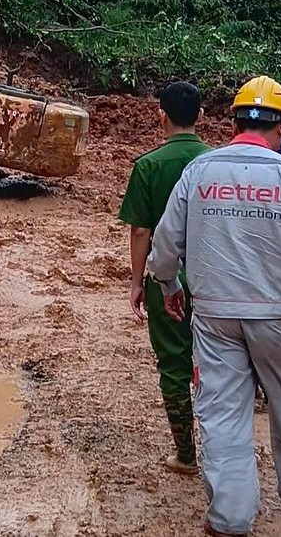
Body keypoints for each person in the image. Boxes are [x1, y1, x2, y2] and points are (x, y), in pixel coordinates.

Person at [146, 76, 281, 537]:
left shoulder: (200, 172)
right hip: (279, 316)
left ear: (233, 123)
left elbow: (165, 242)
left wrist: (169, 284)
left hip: (214, 316)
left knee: (222, 410)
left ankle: (230, 516)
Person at [118, 81, 209, 476]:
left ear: (161, 116)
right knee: (220, 363)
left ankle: (186, 454)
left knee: (173, 363)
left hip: (167, 277)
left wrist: (137, 281)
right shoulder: (216, 163)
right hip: (215, 277)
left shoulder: (148, 165)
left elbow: (141, 230)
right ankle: (223, 451)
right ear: (201, 116)